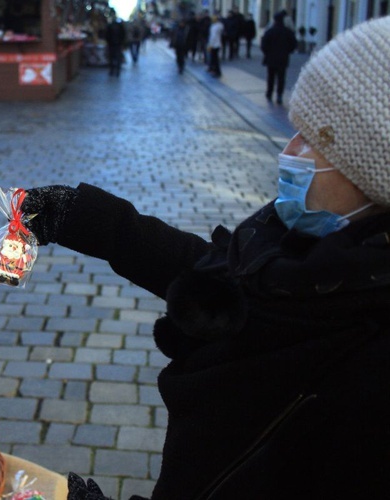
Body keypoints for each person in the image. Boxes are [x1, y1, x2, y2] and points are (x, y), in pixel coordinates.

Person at [22, 17, 390, 500]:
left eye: (314, 140)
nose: (289, 150)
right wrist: (89, 220)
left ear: (375, 174)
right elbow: (227, 285)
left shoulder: (370, 373)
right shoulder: (308, 250)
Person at [261, 10, 297, 104]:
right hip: (283, 58)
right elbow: (293, 44)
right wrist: (287, 51)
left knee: (271, 77)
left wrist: (267, 53)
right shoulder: (287, 32)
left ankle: (269, 93)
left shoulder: (270, 31)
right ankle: (279, 95)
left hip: (271, 58)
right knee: (281, 78)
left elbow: (263, 45)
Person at [105, 10, 126, 77]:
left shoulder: (110, 26)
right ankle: (117, 70)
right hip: (117, 44)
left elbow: (107, 35)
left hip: (112, 44)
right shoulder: (119, 26)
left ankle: (112, 70)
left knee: (112, 57)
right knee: (117, 57)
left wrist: (108, 42)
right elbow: (123, 35)